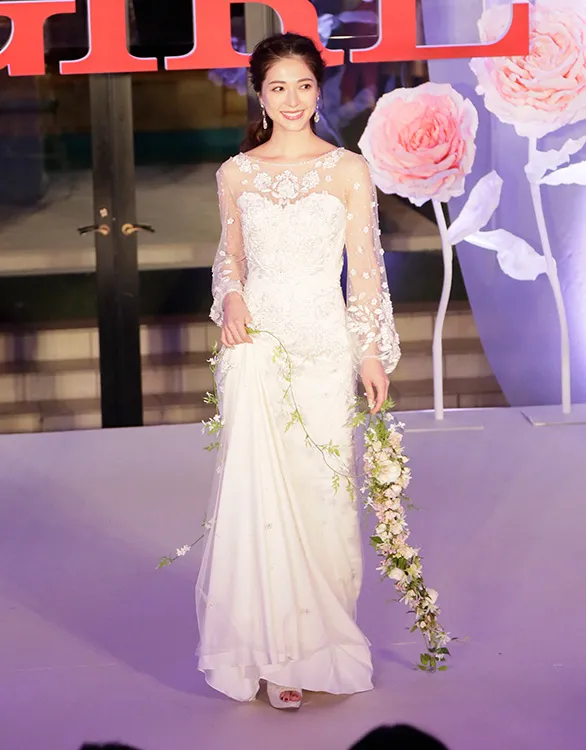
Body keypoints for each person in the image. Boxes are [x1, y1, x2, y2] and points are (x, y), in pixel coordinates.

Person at [196, 32, 400, 710]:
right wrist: (231, 295)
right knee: (260, 500)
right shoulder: (237, 173)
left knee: (324, 493)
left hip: (323, 347)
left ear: (319, 91)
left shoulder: (348, 170)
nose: (291, 99)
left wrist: (370, 351)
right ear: (260, 94)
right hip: (256, 348)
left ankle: (323, 647)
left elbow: (365, 270)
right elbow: (230, 257)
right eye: (278, 87)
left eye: (303, 86)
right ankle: (274, 656)